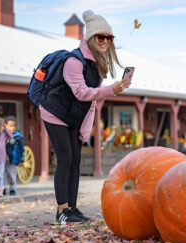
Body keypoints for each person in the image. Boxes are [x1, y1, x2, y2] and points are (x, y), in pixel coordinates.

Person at [39, 10, 131, 224]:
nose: (105, 41)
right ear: (90, 37)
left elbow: (90, 103)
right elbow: (81, 92)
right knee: (65, 159)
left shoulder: (98, 65)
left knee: (76, 161)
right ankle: (61, 211)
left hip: (73, 115)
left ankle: (71, 208)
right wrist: (112, 90)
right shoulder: (74, 61)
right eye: (101, 37)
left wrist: (84, 130)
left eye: (109, 37)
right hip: (55, 112)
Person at [4, 116, 24, 196]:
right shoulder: (2, 135)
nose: (12, 127)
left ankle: (12, 190)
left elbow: (21, 149)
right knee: (2, 175)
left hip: (13, 160)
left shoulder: (18, 137)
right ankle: (3, 189)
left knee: (12, 175)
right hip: (2, 160)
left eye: (14, 125)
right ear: (5, 126)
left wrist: (21, 159)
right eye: (10, 125)